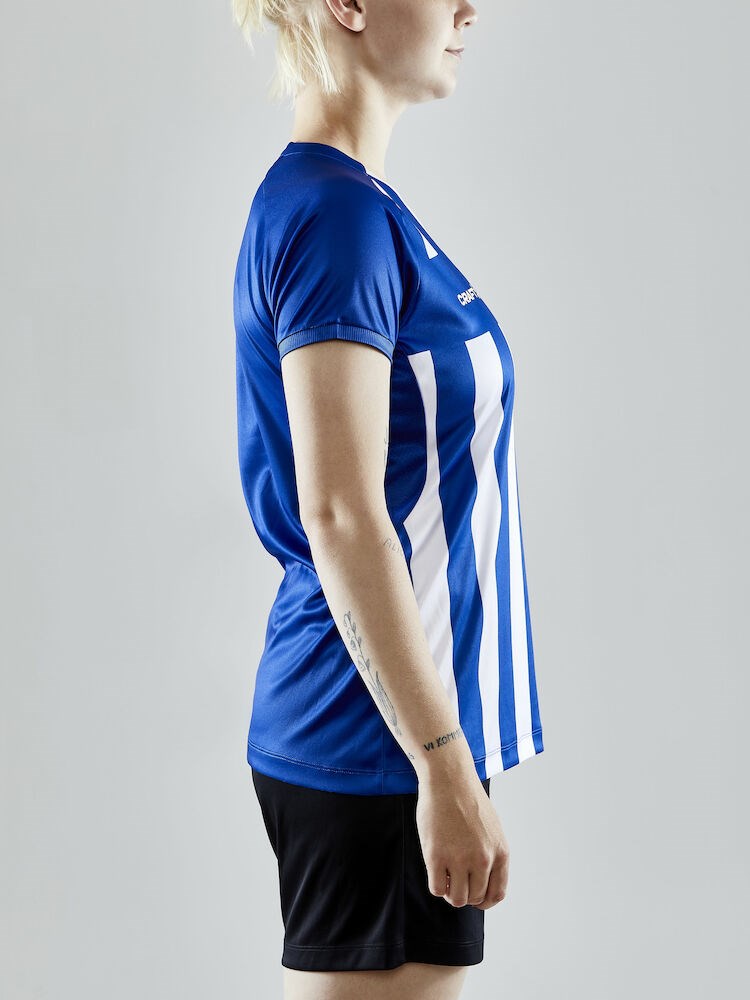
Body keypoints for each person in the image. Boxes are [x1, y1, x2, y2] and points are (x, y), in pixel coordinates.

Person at [231, 2, 545, 998]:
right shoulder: (336, 217)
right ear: (350, 5)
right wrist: (441, 762)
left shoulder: (353, 204)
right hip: (379, 744)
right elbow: (339, 512)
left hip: (389, 734)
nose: (469, 9)